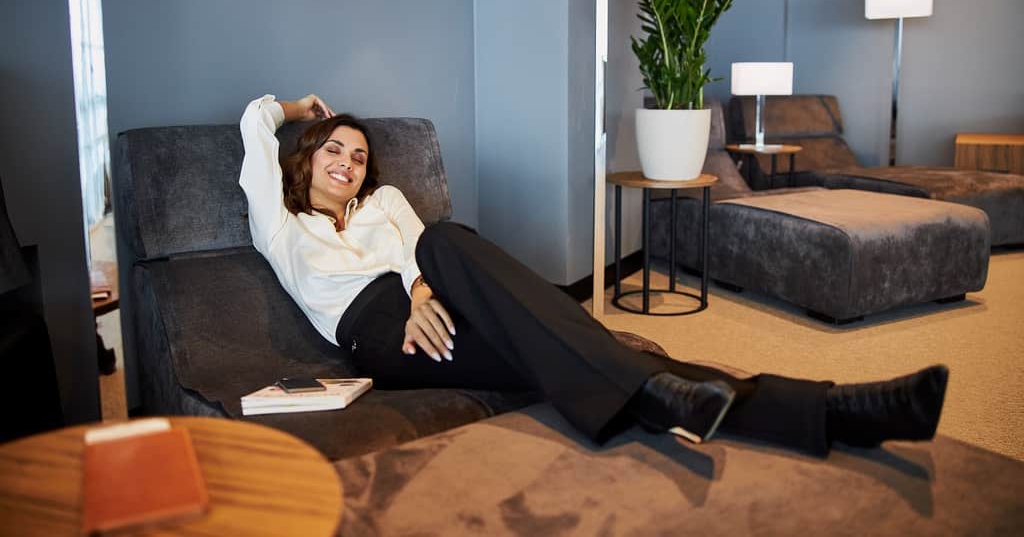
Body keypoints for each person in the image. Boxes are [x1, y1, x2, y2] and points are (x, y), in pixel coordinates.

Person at [239, 93, 949, 456]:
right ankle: (831, 412)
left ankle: (819, 411)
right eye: (334, 149)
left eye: (359, 155)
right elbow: (254, 119)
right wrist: (302, 108)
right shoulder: (278, 219)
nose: (348, 162)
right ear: (308, 156)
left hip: (431, 294)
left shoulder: (386, 201)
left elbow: (424, 250)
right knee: (594, 346)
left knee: (451, 241)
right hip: (384, 333)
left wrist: (422, 286)